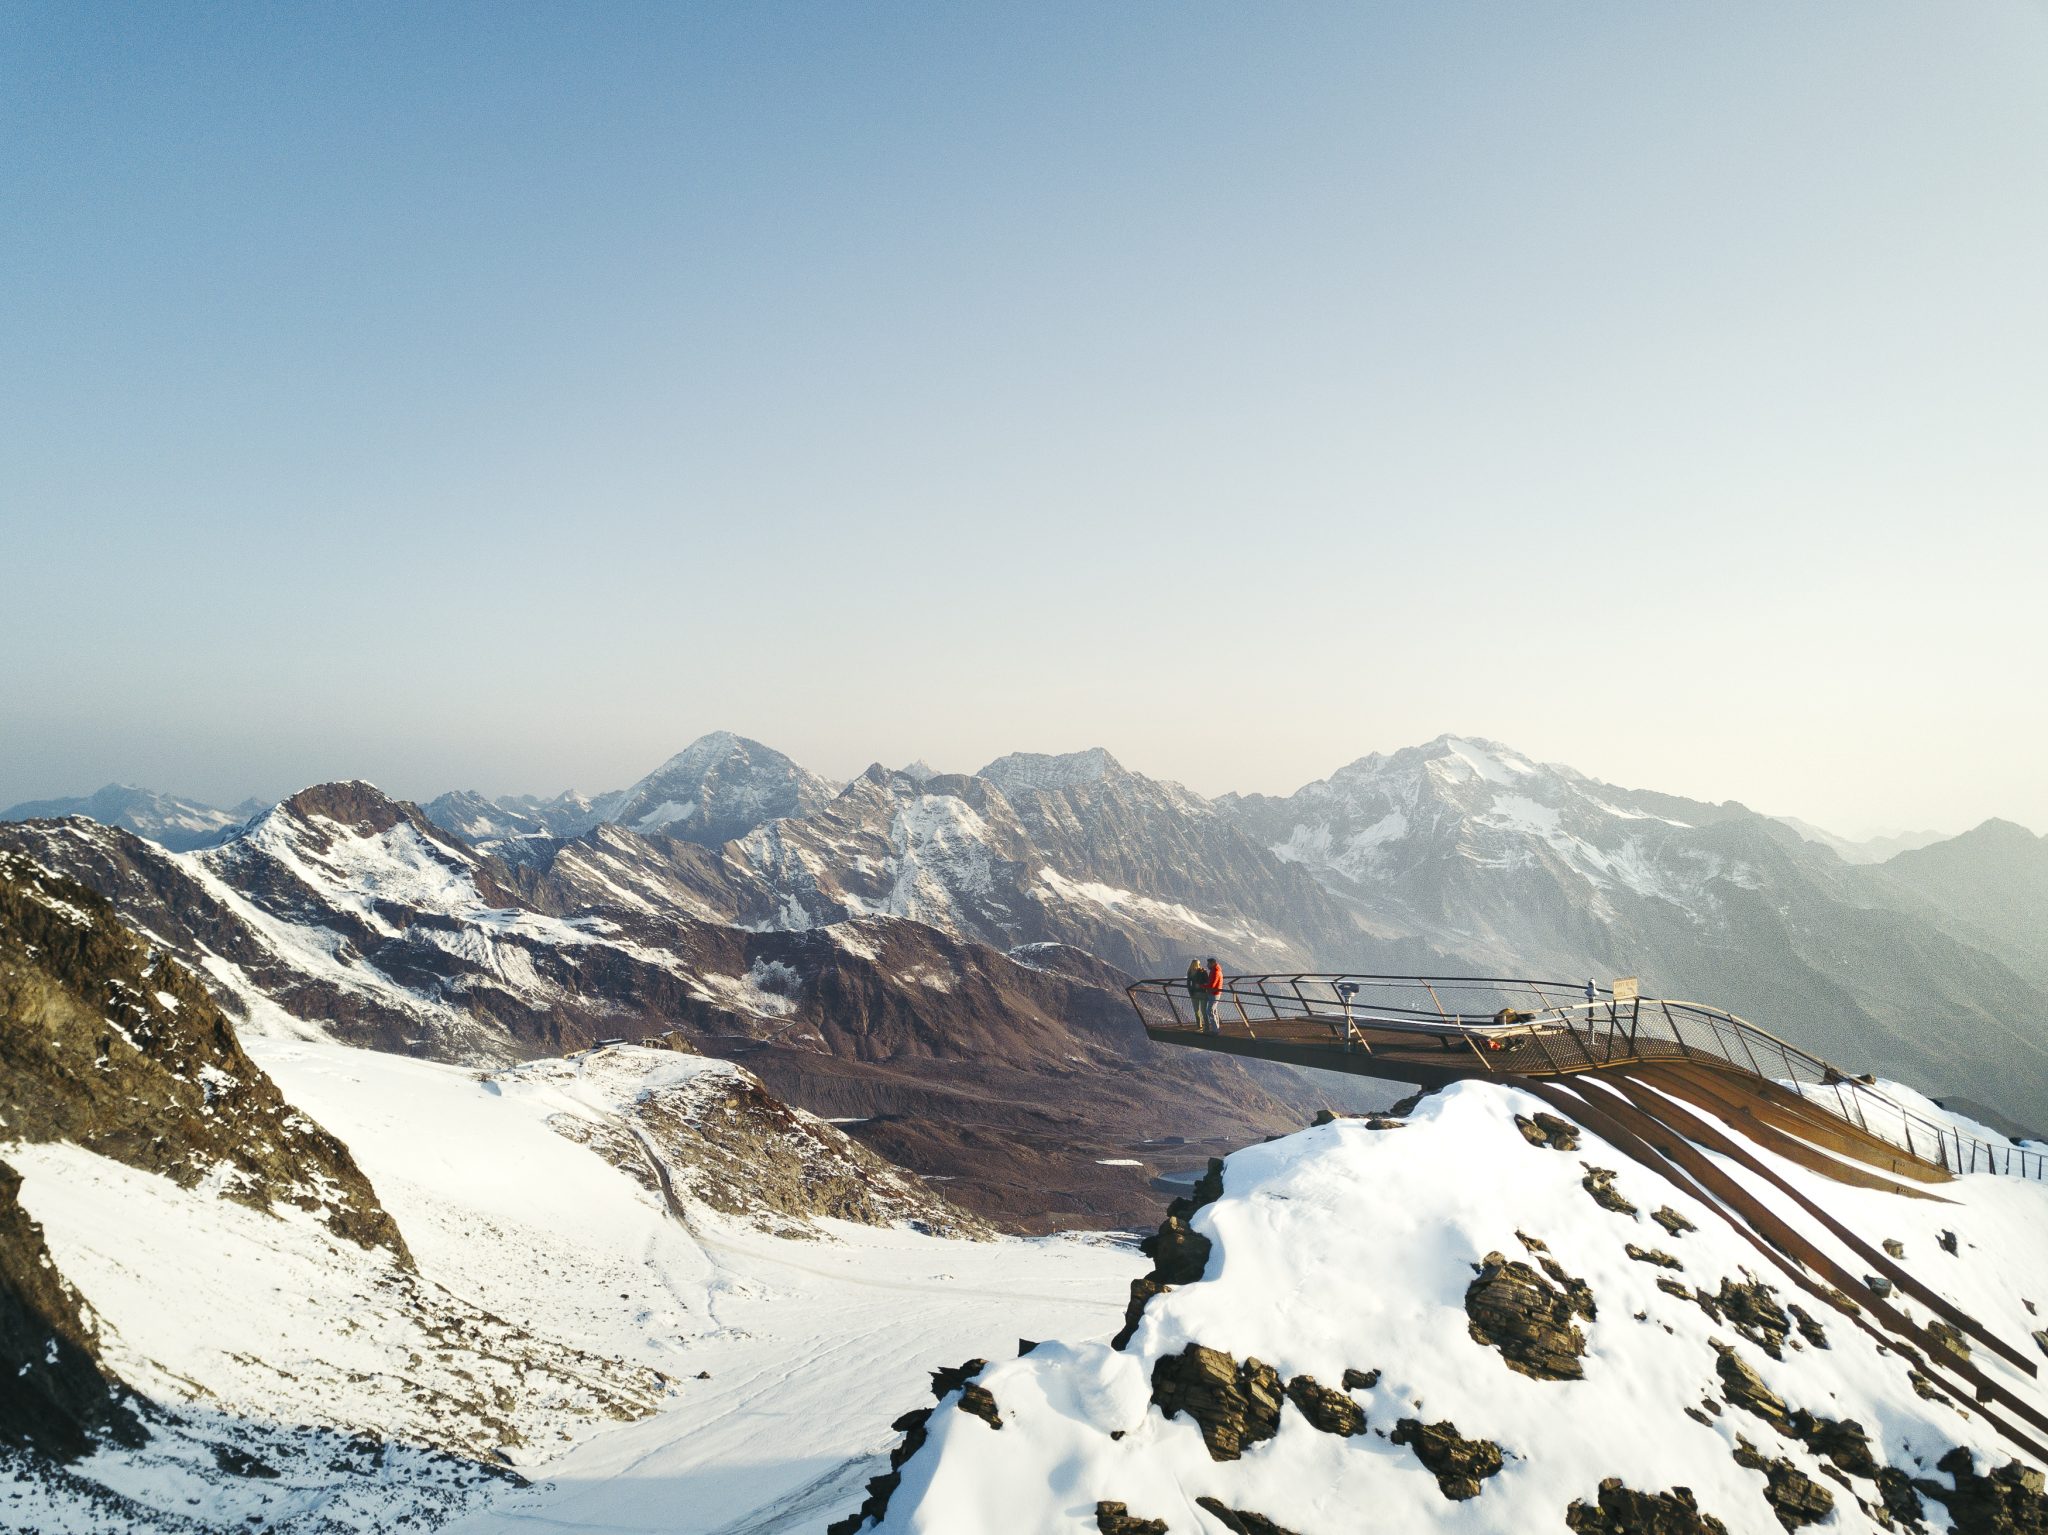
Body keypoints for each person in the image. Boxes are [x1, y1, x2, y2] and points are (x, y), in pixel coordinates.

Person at [1199, 956, 1224, 1034]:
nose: (1207, 965)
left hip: (1214, 993)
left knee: (1209, 1011)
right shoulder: (1217, 971)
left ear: (1212, 964)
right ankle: (1216, 1028)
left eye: (1208, 964)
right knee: (1214, 1011)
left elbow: (1212, 985)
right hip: (1216, 993)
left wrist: (1202, 985)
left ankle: (1215, 1030)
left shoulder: (1215, 972)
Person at [1185, 958, 1206, 1028]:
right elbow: (1206, 981)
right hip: (1203, 993)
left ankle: (1199, 1025)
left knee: (1196, 1010)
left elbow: (1188, 984)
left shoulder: (1190, 972)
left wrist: (1190, 993)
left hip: (1194, 993)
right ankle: (1206, 1025)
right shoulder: (1202, 971)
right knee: (1203, 1010)